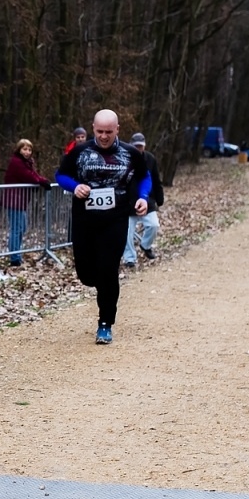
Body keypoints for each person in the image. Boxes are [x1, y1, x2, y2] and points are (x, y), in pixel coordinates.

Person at [56, 110, 150, 345]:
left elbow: (145, 176)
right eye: (100, 132)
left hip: (115, 220)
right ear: (93, 128)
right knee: (87, 275)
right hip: (84, 220)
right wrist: (74, 186)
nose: (104, 136)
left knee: (108, 270)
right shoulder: (79, 151)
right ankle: (103, 285)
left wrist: (144, 197)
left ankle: (105, 323)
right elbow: (60, 175)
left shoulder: (129, 153)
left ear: (117, 129)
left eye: (109, 132)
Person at [2, 138, 49, 266]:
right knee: (16, 228)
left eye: (29, 149)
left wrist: (43, 180)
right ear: (19, 150)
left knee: (22, 227)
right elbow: (28, 176)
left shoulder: (27, 162)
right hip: (14, 199)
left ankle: (17, 253)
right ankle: (14, 257)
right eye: (25, 149)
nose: (27, 152)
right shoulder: (16, 162)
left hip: (21, 200)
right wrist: (42, 182)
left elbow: (33, 174)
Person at [122, 132, 163, 267]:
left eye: (140, 146)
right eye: (136, 146)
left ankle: (146, 245)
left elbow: (156, 179)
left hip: (147, 200)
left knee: (153, 225)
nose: (138, 149)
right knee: (127, 231)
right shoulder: (124, 158)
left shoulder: (150, 159)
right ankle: (129, 258)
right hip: (128, 201)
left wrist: (159, 197)